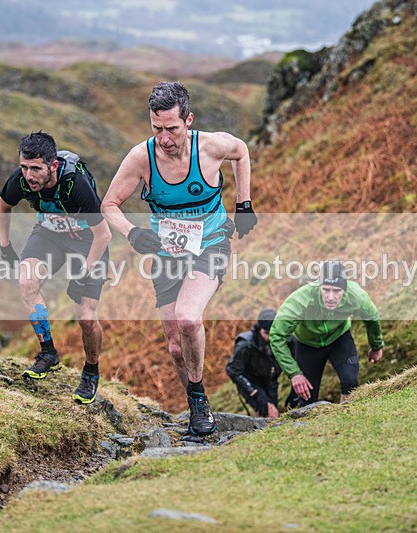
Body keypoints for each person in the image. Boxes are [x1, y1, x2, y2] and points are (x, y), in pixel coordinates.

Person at [101, 81, 258, 436]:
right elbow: (109, 204)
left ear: (188, 120)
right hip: (167, 254)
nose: (164, 138)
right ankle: (194, 400)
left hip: (211, 244)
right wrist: (133, 233)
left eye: (171, 128)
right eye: (156, 128)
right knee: (175, 347)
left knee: (188, 319)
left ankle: (199, 400)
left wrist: (244, 203)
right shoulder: (142, 157)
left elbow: (242, 151)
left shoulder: (211, 147)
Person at [0, 131, 111, 404]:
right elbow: (3, 206)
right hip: (50, 234)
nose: (29, 175)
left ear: (53, 165)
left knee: (86, 316)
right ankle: (48, 353)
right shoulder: (20, 180)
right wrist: (5, 246)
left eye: (36, 168)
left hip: (88, 240)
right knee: (27, 282)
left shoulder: (75, 184)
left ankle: (91, 372)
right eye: (24, 167)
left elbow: (104, 235)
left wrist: (83, 274)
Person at [270, 261, 384, 405]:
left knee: (351, 383)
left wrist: (376, 346)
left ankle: (346, 415)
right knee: (307, 397)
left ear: (345, 289)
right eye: (326, 290)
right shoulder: (300, 300)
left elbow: (372, 318)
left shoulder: (356, 296)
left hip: (339, 337)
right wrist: (294, 373)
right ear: (319, 286)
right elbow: (277, 336)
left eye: (337, 291)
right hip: (307, 344)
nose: (331, 297)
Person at [226, 308, 296, 418]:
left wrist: (294, 391)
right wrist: (253, 392)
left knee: (272, 413)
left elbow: (298, 362)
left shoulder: (288, 339)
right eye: (266, 333)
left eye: (273, 332)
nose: (270, 337)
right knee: (269, 412)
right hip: (251, 381)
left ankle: (262, 423)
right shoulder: (246, 344)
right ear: (259, 329)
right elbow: (232, 370)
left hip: (271, 380)